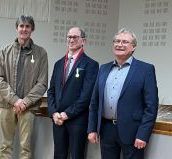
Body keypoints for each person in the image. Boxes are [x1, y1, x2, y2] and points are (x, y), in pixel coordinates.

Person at [87, 28, 158, 159]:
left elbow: (151, 106)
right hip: (106, 129)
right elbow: (94, 102)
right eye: (117, 41)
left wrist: (143, 134)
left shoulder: (145, 70)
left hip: (133, 131)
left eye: (125, 42)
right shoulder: (103, 68)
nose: (120, 44)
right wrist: (92, 128)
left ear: (133, 47)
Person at [0, 15, 48, 159]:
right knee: (5, 146)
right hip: (6, 105)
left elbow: (42, 83)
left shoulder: (41, 53)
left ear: (32, 29)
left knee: (26, 147)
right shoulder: (5, 51)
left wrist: (25, 101)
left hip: (28, 107)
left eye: (27, 26)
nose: (24, 29)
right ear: (17, 28)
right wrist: (15, 100)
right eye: (21, 26)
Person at [47, 27, 99, 159]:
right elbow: (51, 90)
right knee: (59, 155)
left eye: (75, 37)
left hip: (77, 120)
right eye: (69, 37)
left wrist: (67, 114)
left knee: (76, 156)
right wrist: (54, 113)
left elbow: (86, 96)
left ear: (83, 41)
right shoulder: (59, 64)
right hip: (58, 120)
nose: (71, 40)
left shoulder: (91, 64)